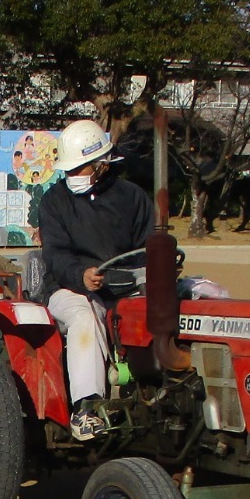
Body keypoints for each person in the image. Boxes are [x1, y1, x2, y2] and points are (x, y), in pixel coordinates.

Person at [37, 120, 153, 440]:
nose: (72, 176)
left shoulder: (133, 198)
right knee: (85, 317)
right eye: (69, 170)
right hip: (68, 287)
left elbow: (148, 250)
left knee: (198, 295)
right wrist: (80, 276)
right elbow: (56, 256)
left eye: (79, 169)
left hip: (125, 285)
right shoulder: (54, 202)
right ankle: (87, 408)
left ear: (102, 165)